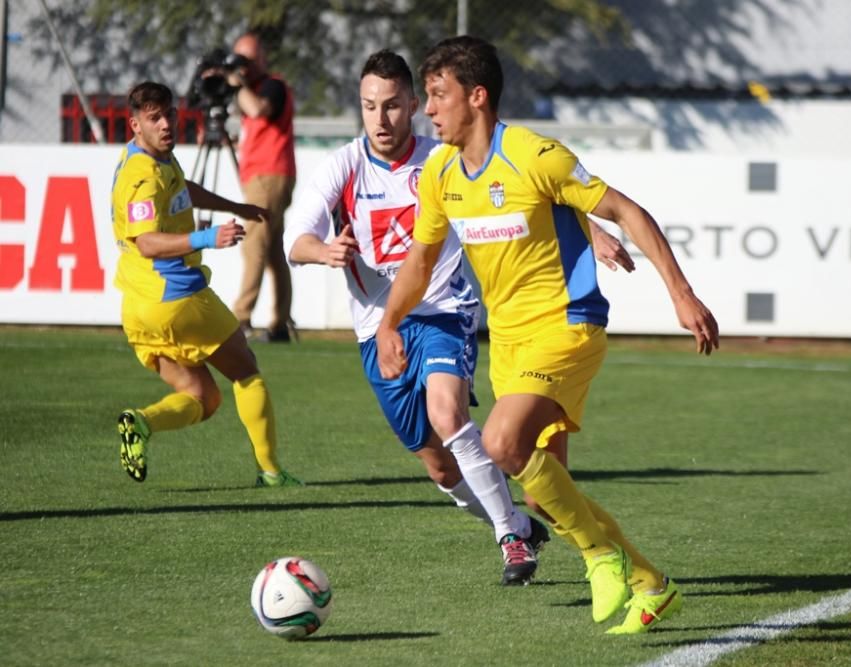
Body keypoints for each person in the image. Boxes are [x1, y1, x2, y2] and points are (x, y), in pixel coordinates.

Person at [375, 37, 719, 634]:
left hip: (568, 325)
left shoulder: (536, 154)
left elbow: (628, 211)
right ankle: (651, 584)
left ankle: (599, 557)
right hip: (507, 345)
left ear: (476, 97)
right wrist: (388, 321)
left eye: (437, 95)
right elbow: (420, 261)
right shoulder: (441, 174)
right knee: (541, 495)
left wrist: (681, 294)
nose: (427, 110)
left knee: (503, 441)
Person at [284, 50, 632, 585]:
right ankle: (515, 519)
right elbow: (296, 238)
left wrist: (594, 229)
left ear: (414, 107)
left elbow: (531, 197)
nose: (381, 119)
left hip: (447, 308)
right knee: (440, 465)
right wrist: (322, 250)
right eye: (369, 106)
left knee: (448, 414)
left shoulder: (442, 155)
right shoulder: (344, 165)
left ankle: (511, 540)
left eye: (393, 106)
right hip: (379, 324)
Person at [112, 80, 301, 488]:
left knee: (203, 397)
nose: (165, 124)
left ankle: (142, 423)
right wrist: (206, 238)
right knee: (247, 373)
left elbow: (183, 189)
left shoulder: (154, 160)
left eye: (169, 114)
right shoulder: (143, 177)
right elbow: (146, 242)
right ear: (135, 125)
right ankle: (271, 473)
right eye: (153, 118)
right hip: (178, 297)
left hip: (138, 309)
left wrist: (235, 206)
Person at [226, 32, 296, 342]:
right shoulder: (251, 88)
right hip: (264, 174)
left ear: (262, 59)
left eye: (251, 59)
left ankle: (240, 318)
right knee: (272, 252)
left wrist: (236, 83)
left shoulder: (271, 86)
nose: (246, 66)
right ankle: (280, 323)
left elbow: (257, 109)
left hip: (269, 175)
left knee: (253, 244)